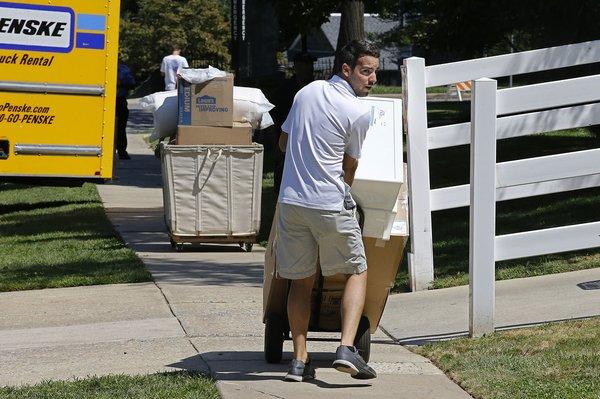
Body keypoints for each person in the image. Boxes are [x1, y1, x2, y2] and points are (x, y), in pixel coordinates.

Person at [276, 40, 379, 382]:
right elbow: (349, 166)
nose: (373, 79)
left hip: (291, 202)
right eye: (366, 71)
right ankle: (346, 349)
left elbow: (283, 142)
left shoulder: (307, 92)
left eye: (375, 71)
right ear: (346, 69)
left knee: (300, 281)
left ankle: (298, 360)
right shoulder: (359, 112)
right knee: (356, 270)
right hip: (329, 203)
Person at [115, 60, 135, 160]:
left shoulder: (123, 69)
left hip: (116, 100)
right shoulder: (124, 69)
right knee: (121, 128)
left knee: (120, 127)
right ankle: (122, 152)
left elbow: (131, 83)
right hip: (120, 100)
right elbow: (132, 84)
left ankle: (121, 151)